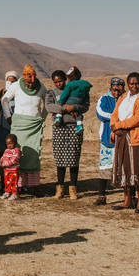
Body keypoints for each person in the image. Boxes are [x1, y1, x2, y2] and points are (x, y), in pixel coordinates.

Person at [1, 64, 47, 197]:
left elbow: (48, 103)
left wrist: (42, 118)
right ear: (24, 78)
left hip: (34, 125)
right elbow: (5, 100)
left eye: (33, 80)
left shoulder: (41, 87)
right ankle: (19, 186)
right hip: (19, 124)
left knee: (33, 154)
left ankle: (33, 186)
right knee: (17, 154)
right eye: (28, 81)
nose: (31, 84)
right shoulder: (16, 86)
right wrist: (8, 116)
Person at [110, 72, 139, 213]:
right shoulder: (123, 97)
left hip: (137, 136)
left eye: (137, 83)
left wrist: (120, 125)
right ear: (127, 84)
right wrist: (114, 128)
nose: (134, 86)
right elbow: (114, 114)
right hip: (122, 137)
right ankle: (127, 200)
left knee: (138, 169)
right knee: (125, 168)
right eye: (132, 83)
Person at [46, 70, 87, 199]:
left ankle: (73, 189)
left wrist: (74, 107)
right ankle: (60, 188)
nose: (59, 84)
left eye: (61, 81)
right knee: (60, 158)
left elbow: (85, 105)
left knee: (74, 158)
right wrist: (64, 108)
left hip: (74, 127)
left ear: (66, 79)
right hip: (59, 128)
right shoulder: (51, 93)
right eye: (56, 82)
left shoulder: (76, 90)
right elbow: (48, 106)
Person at [93, 77, 124, 205]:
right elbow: (100, 113)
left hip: (122, 136)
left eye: (119, 89)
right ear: (111, 88)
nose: (116, 92)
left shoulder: (125, 99)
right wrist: (115, 117)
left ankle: (128, 195)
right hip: (107, 137)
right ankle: (102, 195)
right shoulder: (104, 99)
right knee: (105, 166)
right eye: (114, 89)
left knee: (123, 166)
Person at [0, 71, 20, 190]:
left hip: (16, 125)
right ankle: (2, 182)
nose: (11, 83)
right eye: (9, 81)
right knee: (2, 153)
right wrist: (2, 96)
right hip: (3, 126)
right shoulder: (3, 91)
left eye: (13, 81)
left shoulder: (19, 92)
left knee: (15, 154)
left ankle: (16, 183)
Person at [55, 66, 92, 132]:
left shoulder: (70, 84)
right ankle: (79, 125)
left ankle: (58, 117)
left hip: (72, 100)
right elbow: (86, 102)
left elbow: (65, 94)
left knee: (63, 107)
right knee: (78, 113)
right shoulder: (85, 85)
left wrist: (61, 101)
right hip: (80, 101)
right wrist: (76, 108)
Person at [0, 134, 22, 200]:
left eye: (11, 143)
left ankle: (15, 194)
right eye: (7, 144)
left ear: (15, 142)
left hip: (14, 170)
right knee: (7, 181)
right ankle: (7, 192)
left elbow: (14, 160)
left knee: (13, 182)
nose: (9, 145)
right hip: (6, 170)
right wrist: (0, 161)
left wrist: (5, 164)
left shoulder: (17, 151)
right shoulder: (6, 150)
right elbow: (3, 157)